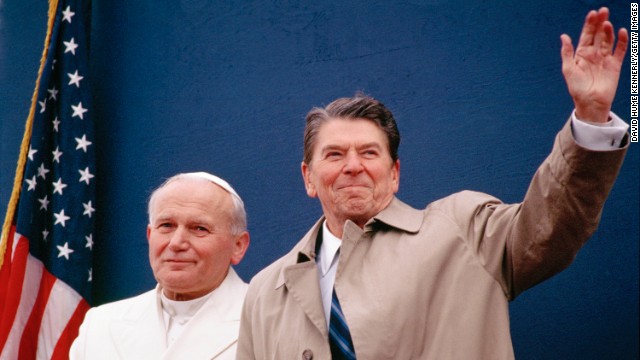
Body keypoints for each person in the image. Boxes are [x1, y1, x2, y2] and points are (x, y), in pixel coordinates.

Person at [237, 7, 629, 360]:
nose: (352, 166)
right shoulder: (265, 290)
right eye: (335, 154)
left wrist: (591, 119)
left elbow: (552, 225)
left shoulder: (464, 231)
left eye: (370, 153)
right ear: (308, 177)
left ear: (394, 174)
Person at [70, 172, 250, 360]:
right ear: (150, 235)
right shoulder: (100, 324)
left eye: (199, 228)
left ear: (238, 246)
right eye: (166, 225)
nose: (176, 242)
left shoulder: (265, 321)